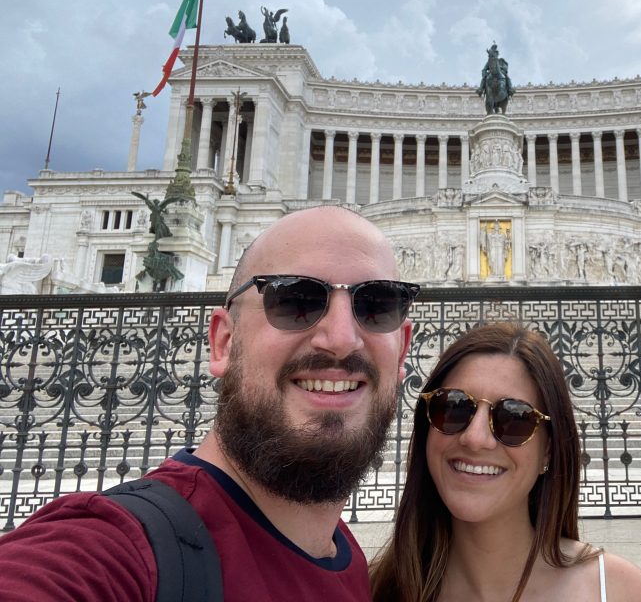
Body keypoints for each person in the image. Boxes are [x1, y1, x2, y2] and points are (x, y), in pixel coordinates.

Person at [0, 206, 419, 601]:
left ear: (402, 354)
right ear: (223, 342)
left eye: (377, 305)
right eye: (295, 300)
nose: (342, 338)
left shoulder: (347, 558)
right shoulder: (118, 549)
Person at [369, 322, 641, 602]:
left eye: (514, 418)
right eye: (453, 408)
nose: (475, 437)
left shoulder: (621, 592)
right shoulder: (373, 590)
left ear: (549, 451)